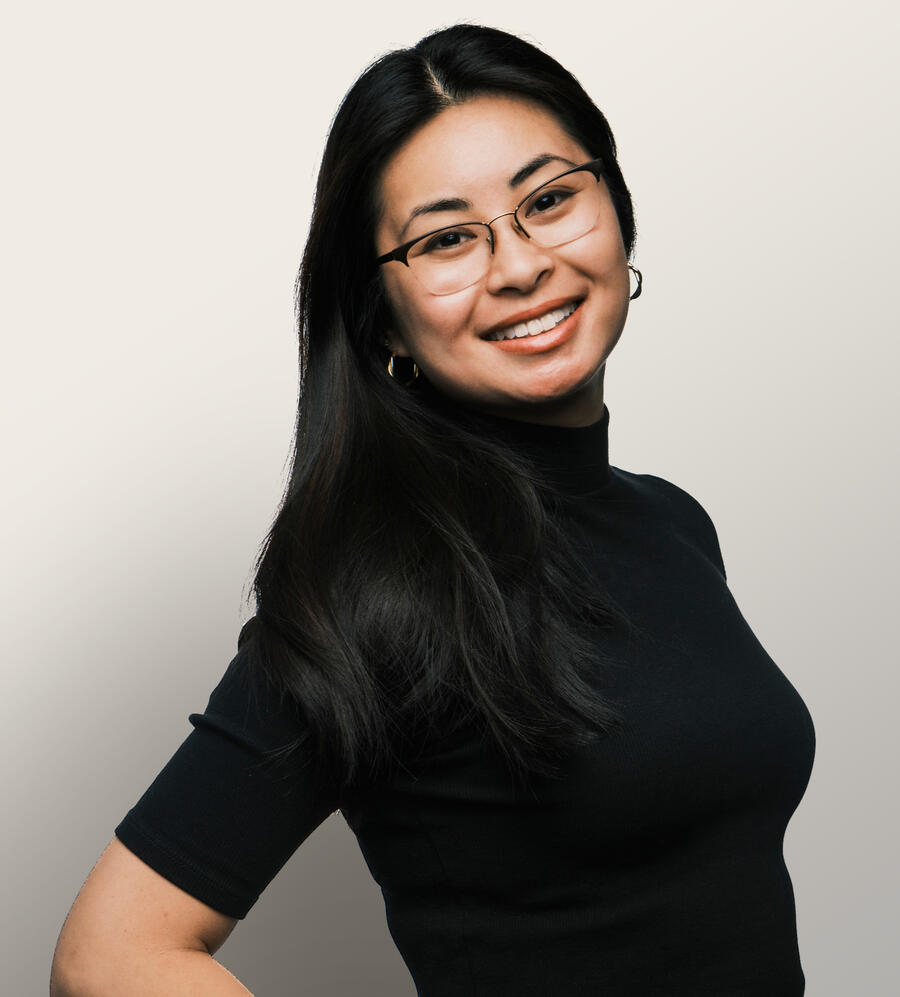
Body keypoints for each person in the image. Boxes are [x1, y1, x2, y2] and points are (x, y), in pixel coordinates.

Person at [50, 23, 815, 996]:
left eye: (550, 200)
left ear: (617, 210)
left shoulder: (674, 524)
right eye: (448, 238)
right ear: (384, 316)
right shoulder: (383, 588)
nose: (520, 264)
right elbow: (108, 952)